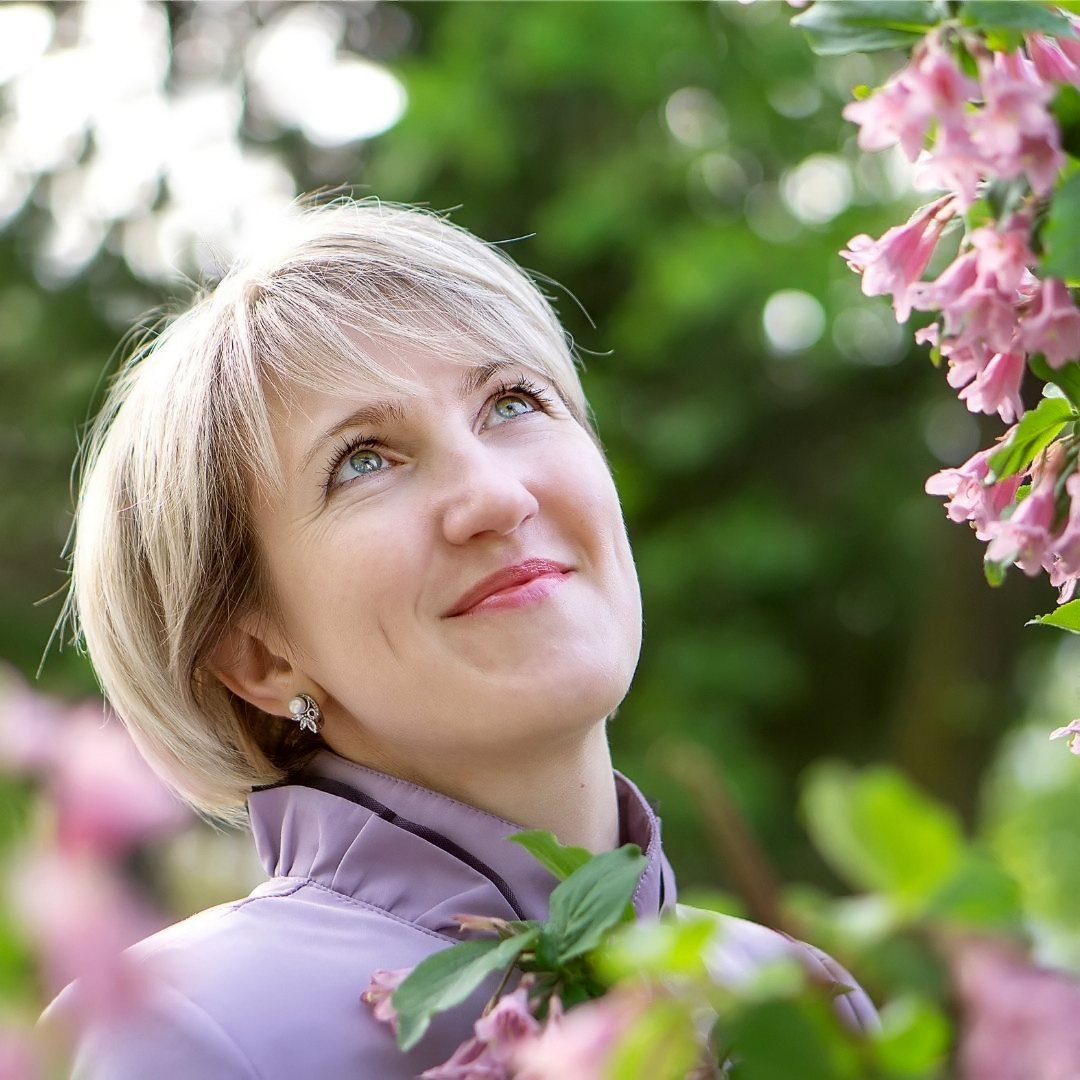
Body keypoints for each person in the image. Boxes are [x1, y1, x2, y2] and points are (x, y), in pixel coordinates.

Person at [44, 200, 875, 1077]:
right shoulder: (176, 1032)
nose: (498, 497)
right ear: (257, 656)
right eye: (364, 460)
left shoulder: (798, 1000)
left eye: (513, 402)